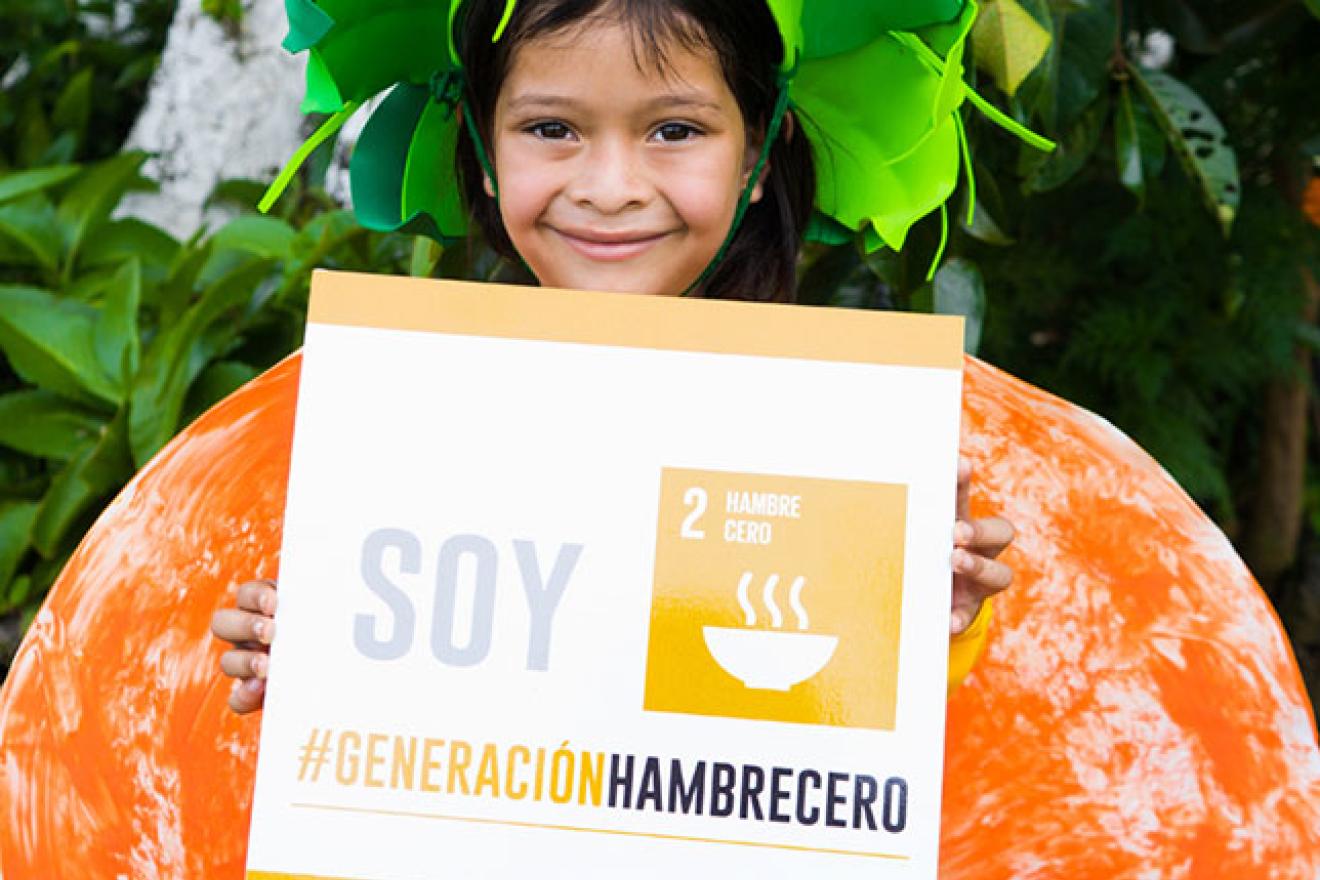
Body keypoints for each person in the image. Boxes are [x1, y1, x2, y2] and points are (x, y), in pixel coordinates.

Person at [212, 0, 1031, 714]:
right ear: (483, 144)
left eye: (674, 130)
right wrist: (306, 665)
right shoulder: (395, 420)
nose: (611, 188)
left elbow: (822, 751)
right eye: (552, 129)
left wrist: (916, 620)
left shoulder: (825, 441)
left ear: (755, 154)